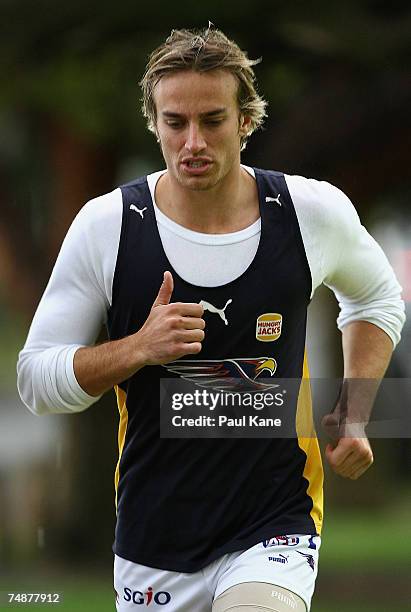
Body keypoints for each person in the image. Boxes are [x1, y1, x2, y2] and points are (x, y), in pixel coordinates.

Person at [17, 27, 405, 612]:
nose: (193, 141)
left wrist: (353, 411)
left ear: (246, 120)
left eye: (213, 120)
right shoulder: (108, 226)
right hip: (155, 540)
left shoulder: (308, 213)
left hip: (275, 523)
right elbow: (35, 382)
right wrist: (138, 348)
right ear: (155, 123)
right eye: (176, 123)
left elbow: (376, 298)